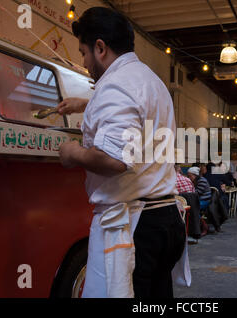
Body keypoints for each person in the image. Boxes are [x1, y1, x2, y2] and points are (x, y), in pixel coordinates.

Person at [57, 7, 186, 298]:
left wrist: (72, 153)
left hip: (137, 225)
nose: (84, 62)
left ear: (100, 47)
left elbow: (114, 159)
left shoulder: (116, 86)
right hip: (164, 218)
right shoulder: (148, 80)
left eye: (84, 52)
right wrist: (86, 104)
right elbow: (132, 126)